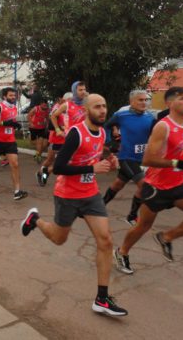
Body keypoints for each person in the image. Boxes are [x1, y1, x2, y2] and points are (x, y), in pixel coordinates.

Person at [20, 94, 127, 317]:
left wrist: (111, 158)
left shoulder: (103, 132)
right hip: (67, 194)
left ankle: (102, 298)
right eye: (97, 107)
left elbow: (98, 151)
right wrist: (91, 169)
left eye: (105, 106)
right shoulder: (76, 133)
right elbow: (58, 167)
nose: (102, 110)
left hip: (90, 195)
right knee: (59, 239)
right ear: (87, 110)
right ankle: (35, 220)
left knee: (105, 241)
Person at [113, 86, 183, 276]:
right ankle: (121, 252)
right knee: (143, 225)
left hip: (177, 184)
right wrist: (178, 163)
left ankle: (166, 237)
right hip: (156, 186)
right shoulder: (163, 126)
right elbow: (147, 160)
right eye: (182, 98)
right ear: (169, 103)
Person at [102, 90, 156, 225]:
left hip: (141, 158)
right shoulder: (122, 115)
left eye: (145, 100)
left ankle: (99, 206)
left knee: (118, 184)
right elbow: (107, 126)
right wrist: (110, 143)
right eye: (140, 100)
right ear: (132, 102)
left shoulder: (150, 117)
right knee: (143, 185)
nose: (144, 103)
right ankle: (131, 216)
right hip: (126, 157)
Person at [37, 93, 70, 186]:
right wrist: (61, 128)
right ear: (62, 99)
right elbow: (51, 125)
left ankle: (45, 173)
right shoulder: (57, 108)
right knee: (50, 160)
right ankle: (43, 173)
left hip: (66, 138)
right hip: (56, 139)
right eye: (68, 100)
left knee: (64, 160)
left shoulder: (69, 108)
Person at [27, 98, 50, 163]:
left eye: (46, 105)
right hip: (33, 128)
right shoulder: (35, 109)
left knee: (41, 143)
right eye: (44, 105)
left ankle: (38, 156)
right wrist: (31, 123)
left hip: (42, 128)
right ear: (41, 104)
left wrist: (47, 125)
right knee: (34, 142)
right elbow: (28, 116)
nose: (45, 106)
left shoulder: (47, 110)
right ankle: (37, 153)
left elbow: (47, 118)